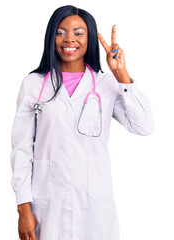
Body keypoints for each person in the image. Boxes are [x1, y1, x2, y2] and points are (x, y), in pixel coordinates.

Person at [10, 5, 154, 240]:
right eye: (60, 32)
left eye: (78, 33)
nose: (69, 39)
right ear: (51, 37)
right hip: (47, 202)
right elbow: (21, 149)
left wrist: (121, 74)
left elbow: (143, 125)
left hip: (95, 206)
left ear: (89, 39)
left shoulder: (106, 84)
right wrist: (22, 207)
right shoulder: (34, 84)